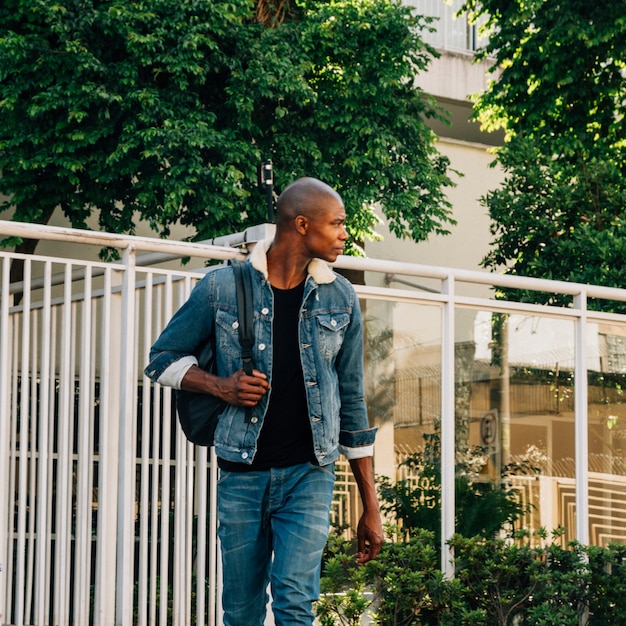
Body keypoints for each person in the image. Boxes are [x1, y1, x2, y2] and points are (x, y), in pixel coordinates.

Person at [145, 177, 384, 625]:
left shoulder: (341, 297)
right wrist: (222, 387)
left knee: (296, 603)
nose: (344, 234)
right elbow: (161, 359)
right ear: (301, 224)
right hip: (241, 473)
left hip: (309, 475)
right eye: (336, 224)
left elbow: (352, 399)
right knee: (242, 611)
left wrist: (370, 504)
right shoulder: (221, 287)